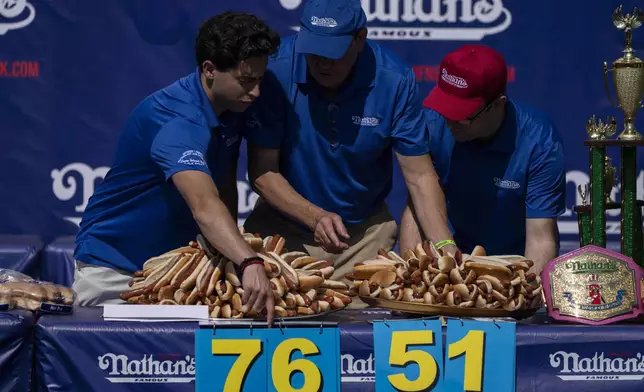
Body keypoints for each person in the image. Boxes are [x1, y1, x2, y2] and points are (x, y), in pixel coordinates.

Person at [73, 12, 281, 323]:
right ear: (209, 70)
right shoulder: (176, 121)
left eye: (260, 79)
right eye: (247, 80)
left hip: (179, 272)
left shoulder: (233, 103)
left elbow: (222, 187)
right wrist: (248, 262)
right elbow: (205, 205)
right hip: (116, 272)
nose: (257, 92)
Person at [243, 0, 457, 286]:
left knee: (362, 329)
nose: (320, 62)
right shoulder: (274, 69)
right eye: (313, 50)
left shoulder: (394, 80)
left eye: (332, 52)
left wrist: (444, 244)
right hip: (281, 234)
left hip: (363, 240)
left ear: (360, 38)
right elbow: (263, 172)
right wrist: (314, 217)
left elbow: (419, 175)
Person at [400, 44, 565, 275]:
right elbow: (417, 206)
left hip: (511, 264)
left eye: (462, 114)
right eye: (445, 106)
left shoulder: (539, 141)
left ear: (498, 104)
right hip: (450, 256)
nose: (449, 120)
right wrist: (413, 281)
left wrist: (527, 291)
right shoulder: (432, 124)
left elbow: (541, 237)